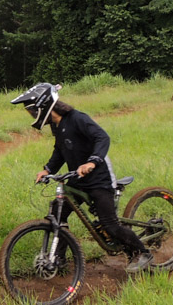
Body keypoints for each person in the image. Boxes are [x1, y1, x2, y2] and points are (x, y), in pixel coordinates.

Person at [9, 82, 153, 274]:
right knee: (58, 211)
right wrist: (47, 169)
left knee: (109, 225)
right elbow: (60, 150)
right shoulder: (57, 125)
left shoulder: (77, 118)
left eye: (32, 111)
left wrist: (92, 162)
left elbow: (103, 137)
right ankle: (58, 258)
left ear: (43, 106)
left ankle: (142, 252)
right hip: (78, 177)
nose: (32, 115)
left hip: (99, 177)